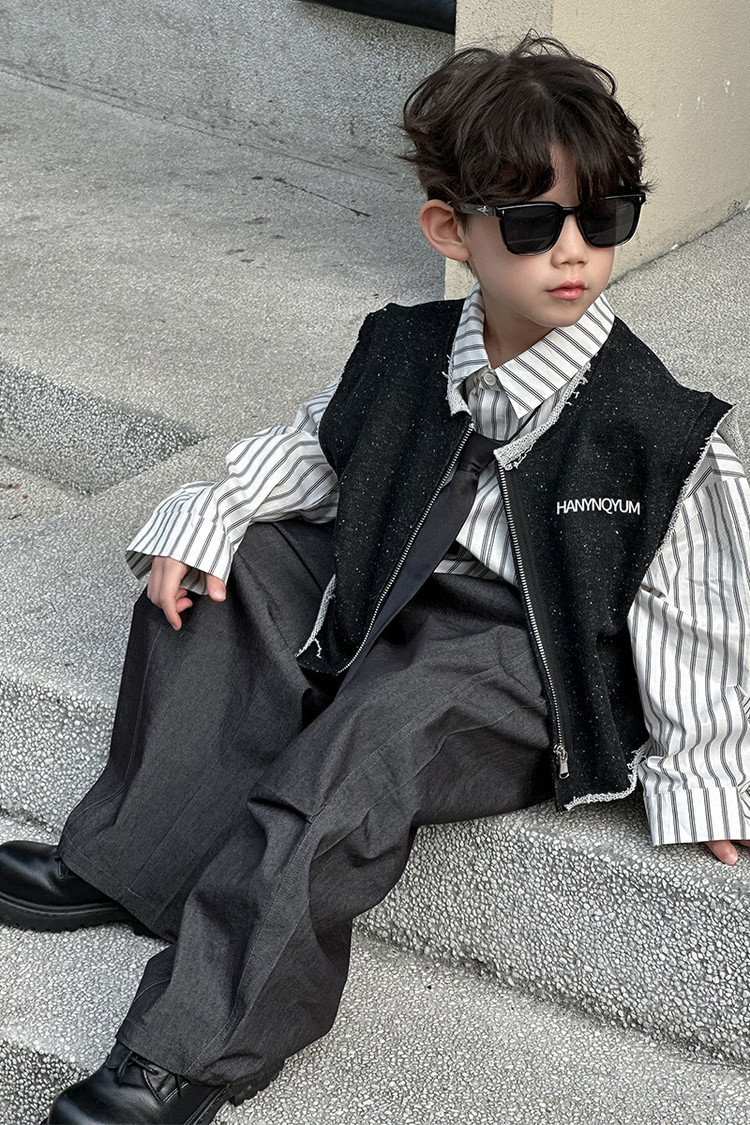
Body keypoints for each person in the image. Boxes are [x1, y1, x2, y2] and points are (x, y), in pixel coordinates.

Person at [2, 33, 749, 1125]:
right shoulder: (405, 349)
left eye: (605, 218)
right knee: (231, 570)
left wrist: (707, 772)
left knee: (367, 744)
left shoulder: (660, 433)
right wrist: (213, 515)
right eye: (533, 225)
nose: (574, 251)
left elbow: (699, 614)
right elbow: (319, 450)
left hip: (523, 649)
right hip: (391, 576)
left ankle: (192, 1047)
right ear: (452, 231)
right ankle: (136, 859)